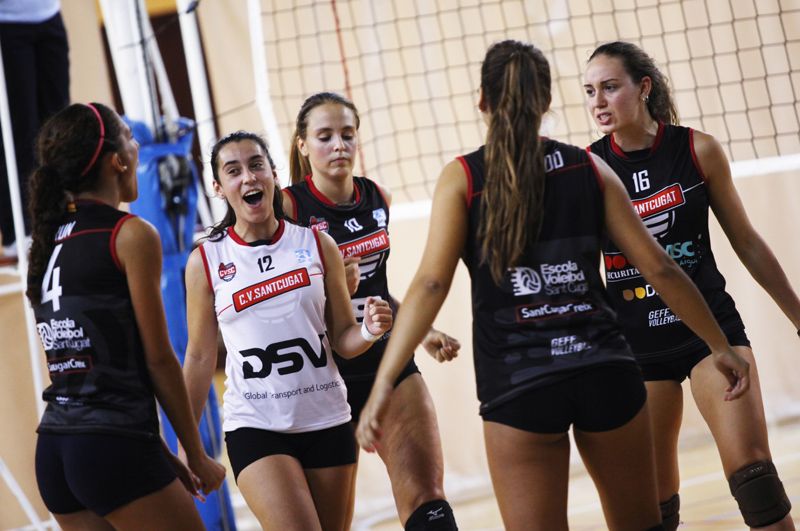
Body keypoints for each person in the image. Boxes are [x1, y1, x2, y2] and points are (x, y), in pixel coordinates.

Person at [356, 39, 752, 531]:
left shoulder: (463, 178)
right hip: (604, 368)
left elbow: (431, 283)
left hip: (520, 382)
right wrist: (721, 345)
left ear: (482, 100)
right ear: (545, 101)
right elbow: (662, 269)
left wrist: (379, 388)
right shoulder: (589, 168)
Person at [583, 41, 799, 530]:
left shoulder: (696, 150)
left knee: (754, 476)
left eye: (610, 87)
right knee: (652, 507)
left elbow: (747, 242)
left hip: (711, 336)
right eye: (590, 91)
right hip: (638, 349)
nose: (598, 101)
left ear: (643, 88)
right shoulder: (587, 168)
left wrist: (798, 316)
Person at [26, 102, 226, 530]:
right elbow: (158, 358)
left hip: (57, 450)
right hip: (111, 447)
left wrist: (157, 452)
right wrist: (195, 452)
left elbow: (91, 367)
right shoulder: (130, 233)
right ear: (118, 160)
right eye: (130, 138)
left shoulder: (47, 241)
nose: (137, 145)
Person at [181, 130, 393, 530]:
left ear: (273, 174)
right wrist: (186, 448)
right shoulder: (206, 261)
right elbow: (198, 357)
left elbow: (344, 340)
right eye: (234, 171)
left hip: (326, 418)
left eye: (257, 165)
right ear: (218, 187)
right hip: (255, 424)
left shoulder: (317, 244)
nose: (248, 178)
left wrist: (367, 331)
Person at [283, 92, 460, 530]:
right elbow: (275, 303)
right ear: (303, 145)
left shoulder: (377, 195)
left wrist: (422, 330)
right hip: (322, 377)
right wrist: (329, 288)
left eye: (347, 134)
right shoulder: (287, 208)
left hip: (386, 363)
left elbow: (378, 291)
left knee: (427, 498)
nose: (339, 145)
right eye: (324, 136)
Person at [0, 0, 70, 264]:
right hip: (7, 24)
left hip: (48, 15)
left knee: (60, 128)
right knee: (19, 129)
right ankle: (18, 229)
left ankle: (61, 214)